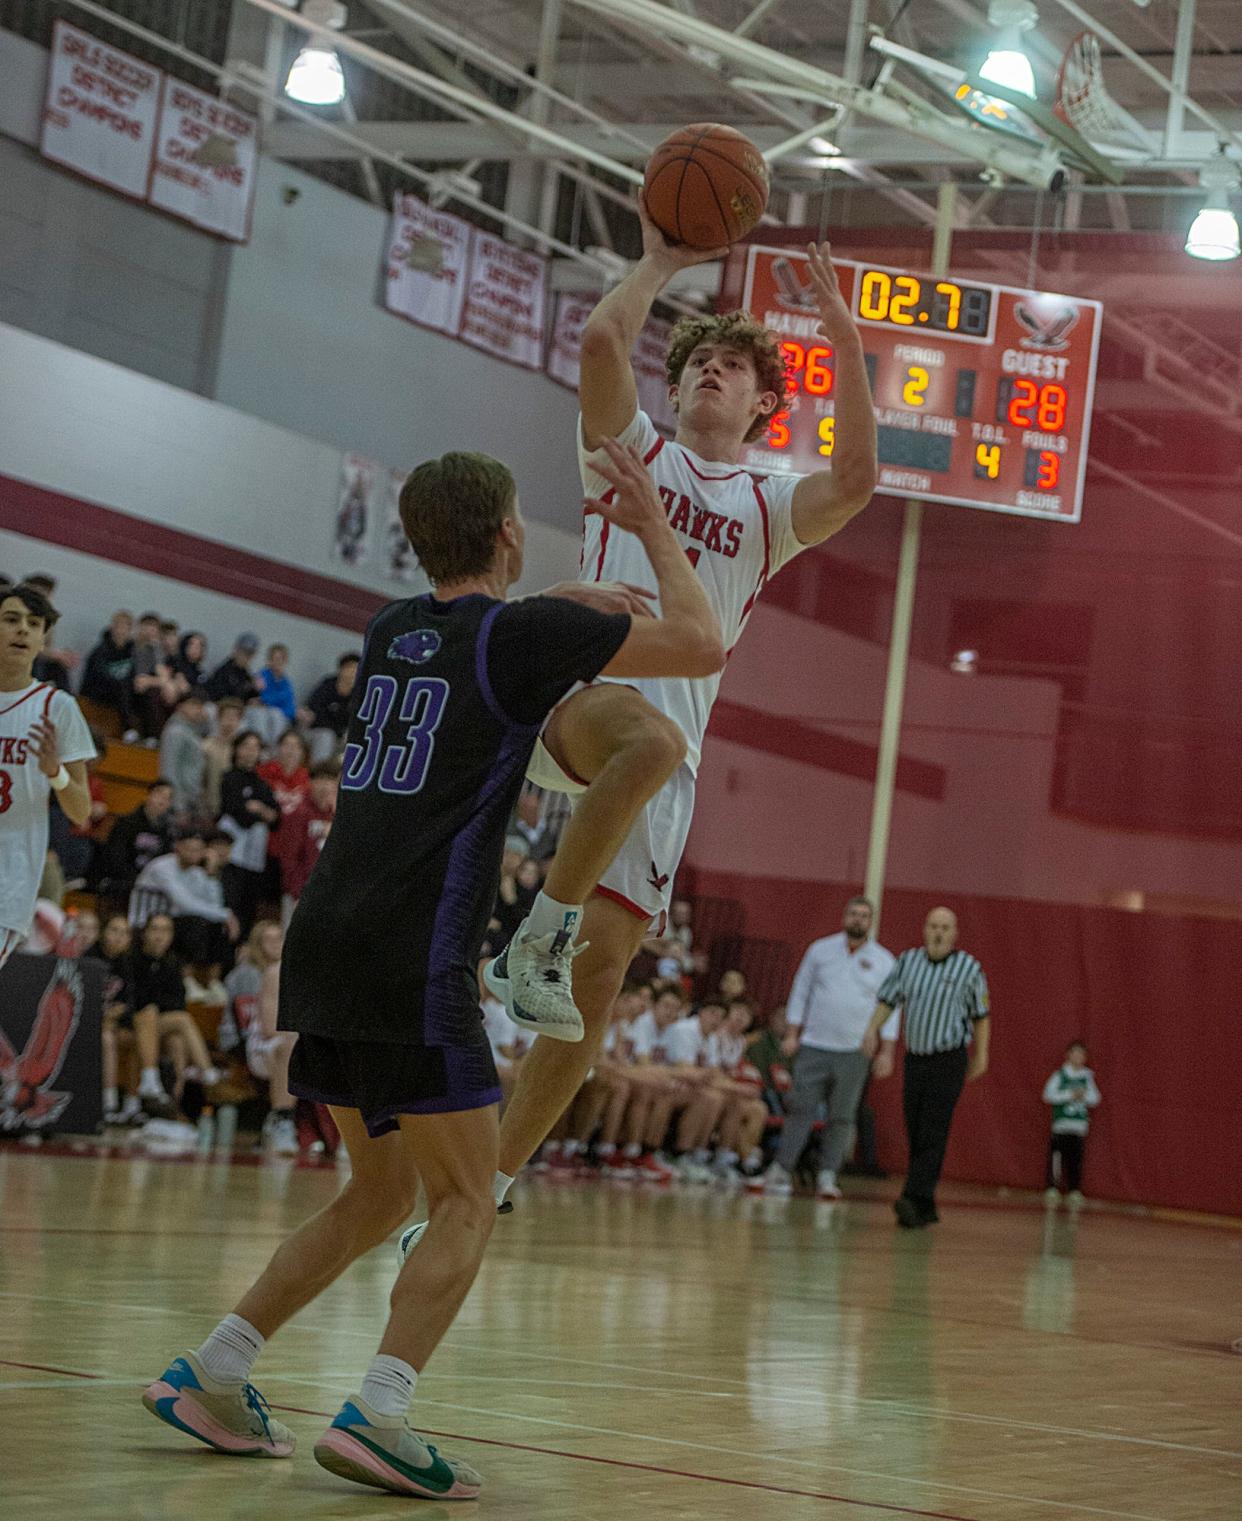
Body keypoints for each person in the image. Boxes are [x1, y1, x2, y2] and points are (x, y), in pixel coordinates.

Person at [142, 438, 723, 1495]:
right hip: (414, 952)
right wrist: (646, 530)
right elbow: (701, 640)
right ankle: (382, 1410)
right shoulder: (520, 638)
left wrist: (558, 598)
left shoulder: (390, 627)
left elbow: (484, 627)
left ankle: (212, 1371)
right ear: (508, 533)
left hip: (325, 942)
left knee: (377, 1194)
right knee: (465, 1198)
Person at [480, 215, 877, 1209]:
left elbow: (861, 481)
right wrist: (662, 260)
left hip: (666, 756)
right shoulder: (633, 450)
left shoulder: (771, 507)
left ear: (764, 406)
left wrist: (848, 345)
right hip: (576, 697)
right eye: (703, 360)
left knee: (597, 988)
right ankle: (540, 926)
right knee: (640, 734)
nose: (714, 372)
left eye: (738, 368)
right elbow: (603, 343)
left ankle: (484, 1182)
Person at [862, 906, 991, 1228]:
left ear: (955, 933)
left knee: (933, 1128)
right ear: (924, 929)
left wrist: (981, 1055)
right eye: (933, 925)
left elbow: (981, 1015)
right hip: (916, 1058)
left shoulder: (969, 968)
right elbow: (889, 999)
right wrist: (871, 1029)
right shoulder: (908, 962)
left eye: (945, 927)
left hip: (948, 1058)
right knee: (915, 1127)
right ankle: (926, 1203)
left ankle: (912, 1197)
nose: (938, 932)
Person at [764, 896, 897, 1200]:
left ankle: (827, 1174)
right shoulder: (820, 950)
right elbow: (801, 990)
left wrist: (886, 1050)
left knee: (842, 1116)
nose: (858, 920)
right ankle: (781, 1169)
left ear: (871, 922)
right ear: (844, 917)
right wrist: (792, 1033)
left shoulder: (885, 960)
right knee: (800, 1108)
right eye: (853, 914)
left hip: (854, 1050)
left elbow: (891, 1007)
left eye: (864, 916)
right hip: (813, 1044)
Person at [0, 584, 96, 970]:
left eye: (34, 623)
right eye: (11, 620)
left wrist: (55, 773)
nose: (23, 629)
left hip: (9, 878)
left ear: (43, 640)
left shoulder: (58, 708)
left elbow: (81, 811)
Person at [221, 922, 298, 1154]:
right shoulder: (264, 972)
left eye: (279, 938)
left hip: (293, 1041)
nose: (276, 944)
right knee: (290, 1047)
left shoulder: (302, 971)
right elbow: (269, 1027)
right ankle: (282, 1119)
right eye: (269, 939)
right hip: (259, 1043)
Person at [218, 731, 281, 938]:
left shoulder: (261, 783)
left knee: (249, 908)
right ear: (237, 749)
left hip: (254, 857)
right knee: (230, 903)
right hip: (232, 855)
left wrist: (258, 809)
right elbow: (239, 814)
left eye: (256, 747)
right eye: (246, 746)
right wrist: (261, 813)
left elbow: (276, 818)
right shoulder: (229, 778)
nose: (251, 752)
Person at [99, 779, 176, 907]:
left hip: (152, 885)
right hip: (125, 882)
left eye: (168, 798)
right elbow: (115, 858)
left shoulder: (168, 832)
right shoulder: (126, 823)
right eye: (159, 794)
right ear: (148, 796)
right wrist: (136, 879)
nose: (162, 801)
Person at [1042, 1041, 1101, 1207]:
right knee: (1057, 1158)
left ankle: (1074, 1190)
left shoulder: (1087, 1077)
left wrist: (1084, 1096)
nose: (1078, 1057)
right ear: (1068, 1055)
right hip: (1061, 1125)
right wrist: (1070, 1094)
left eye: (1081, 1054)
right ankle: (1052, 1187)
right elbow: (1048, 1095)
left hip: (1078, 1126)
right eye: (1075, 1053)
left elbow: (1095, 1099)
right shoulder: (1059, 1075)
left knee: (1076, 1160)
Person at [298, 652, 361, 765]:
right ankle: (318, 772)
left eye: (356, 670)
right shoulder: (327, 686)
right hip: (315, 731)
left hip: (340, 737)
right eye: (350, 668)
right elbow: (314, 713)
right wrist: (336, 729)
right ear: (341, 669)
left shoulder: (358, 695)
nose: (353, 673)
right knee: (326, 736)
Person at [80, 609, 136, 729]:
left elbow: (133, 675)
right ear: (112, 627)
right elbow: (98, 675)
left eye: (125, 627)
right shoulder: (101, 650)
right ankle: (128, 729)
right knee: (122, 687)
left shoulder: (133, 652)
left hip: (119, 694)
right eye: (118, 626)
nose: (121, 630)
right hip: (99, 691)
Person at [157, 688, 209, 817]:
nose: (198, 710)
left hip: (191, 800)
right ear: (180, 707)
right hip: (179, 804)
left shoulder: (191, 731)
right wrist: (177, 805)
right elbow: (169, 769)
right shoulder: (175, 732)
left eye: (200, 706)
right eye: (193, 705)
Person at [202, 697, 245, 815]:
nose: (230, 721)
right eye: (227, 716)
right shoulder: (206, 746)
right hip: (210, 807)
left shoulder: (243, 749)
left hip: (236, 809)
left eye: (234, 717)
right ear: (219, 718)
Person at [205, 633, 261, 706]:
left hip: (239, 709)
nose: (247, 657)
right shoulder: (224, 671)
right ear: (236, 650)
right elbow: (220, 696)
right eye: (244, 652)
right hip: (225, 709)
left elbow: (252, 696)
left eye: (250, 654)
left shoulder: (245, 672)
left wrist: (255, 690)